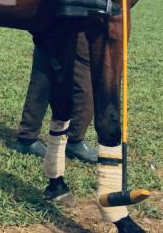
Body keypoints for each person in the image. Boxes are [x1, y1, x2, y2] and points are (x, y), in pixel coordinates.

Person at [9, 33, 97, 163]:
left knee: (45, 57)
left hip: (49, 20)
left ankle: (27, 136)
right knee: (83, 63)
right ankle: (74, 139)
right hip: (77, 18)